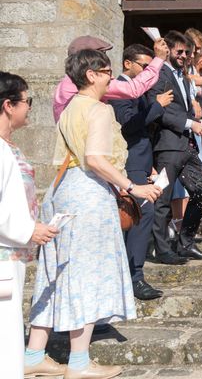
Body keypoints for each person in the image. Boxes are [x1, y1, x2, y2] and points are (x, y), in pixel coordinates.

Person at [26, 50, 162, 379]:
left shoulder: (70, 107)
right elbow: (96, 159)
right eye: (106, 72)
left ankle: (32, 355)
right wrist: (133, 187)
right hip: (88, 194)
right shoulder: (99, 110)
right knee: (88, 274)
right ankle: (79, 362)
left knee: (55, 273)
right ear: (90, 75)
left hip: (62, 190)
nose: (110, 79)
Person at [0, 72, 59, 379]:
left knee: (8, 331)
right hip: (4, 250)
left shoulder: (7, 146)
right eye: (27, 101)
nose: (30, 108)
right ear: (9, 105)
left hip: (14, 249)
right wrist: (27, 229)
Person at [109, 44, 174, 300]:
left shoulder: (139, 91)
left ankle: (130, 274)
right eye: (144, 66)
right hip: (129, 160)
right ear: (127, 64)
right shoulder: (119, 89)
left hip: (142, 160)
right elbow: (129, 125)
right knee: (139, 214)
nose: (148, 72)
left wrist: (150, 165)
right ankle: (134, 277)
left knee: (141, 215)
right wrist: (156, 105)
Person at [146, 30, 202, 264]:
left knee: (201, 192)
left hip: (186, 145)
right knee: (162, 200)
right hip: (167, 147)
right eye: (180, 52)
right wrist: (189, 123)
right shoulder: (158, 75)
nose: (184, 56)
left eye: (187, 52)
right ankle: (163, 250)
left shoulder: (184, 78)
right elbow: (160, 112)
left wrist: (195, 119)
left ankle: (186, 242)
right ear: (169, 51)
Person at [53, 35, 169, 122]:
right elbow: (133, 89)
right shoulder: (90, 81)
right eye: (102, 54)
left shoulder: (65, 83)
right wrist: (159, 59)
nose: (105, 59)